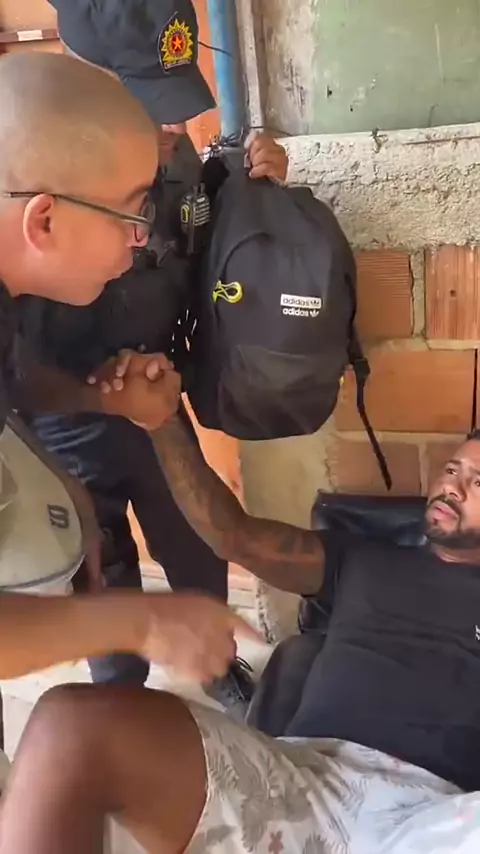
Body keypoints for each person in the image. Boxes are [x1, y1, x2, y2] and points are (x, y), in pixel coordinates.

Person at [3, 356, 480, 853]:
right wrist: (161, 423)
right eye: (453, 469)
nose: (452, 485)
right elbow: (233, 535)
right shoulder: (361, 557)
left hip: (433, 815)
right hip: (302, 783)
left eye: (477, 482)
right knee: (70, 724)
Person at [17, 0, 288, 710]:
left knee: (195, 540)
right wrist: (96, 398)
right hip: (69, 415)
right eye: (147, 101)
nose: (171, 128)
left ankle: (216, 662)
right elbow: (19, 379)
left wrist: (251, 181)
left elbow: (202, 223)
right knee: (98, 563)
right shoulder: (38, 167)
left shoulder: (170, 154)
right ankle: (122, 700)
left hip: (156, 396)